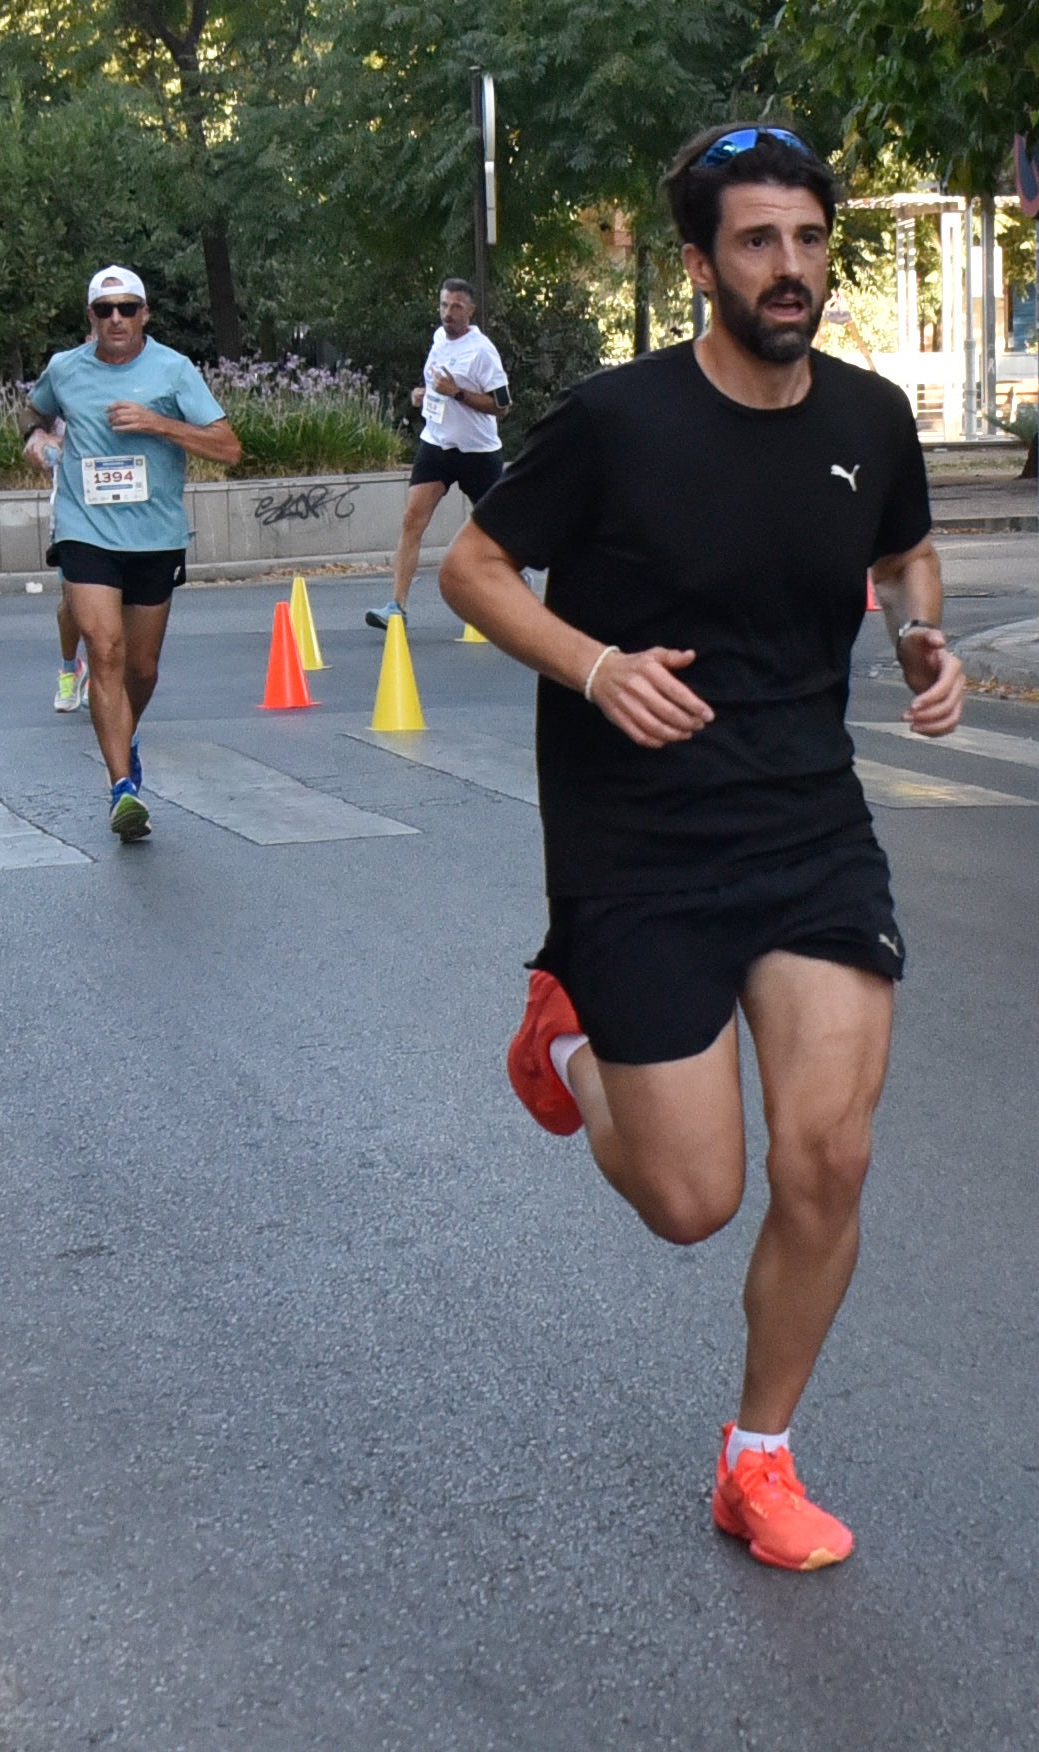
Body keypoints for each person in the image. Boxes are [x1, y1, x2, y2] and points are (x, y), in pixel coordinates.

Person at [439, 122, 965, 1573]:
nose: (787, 266)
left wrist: (927, 634)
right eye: (755, 241)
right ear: (699, 262)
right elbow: (471, 569)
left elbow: (904, 551)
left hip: (807, 827)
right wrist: (597, 667)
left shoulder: (868, 417)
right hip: (640, 842)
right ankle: (570, 1038)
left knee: (830, 1158)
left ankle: (758, 1460)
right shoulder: (617, 420)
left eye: (805, 237)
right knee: (692, 1202)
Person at [18, 266, 240, 840]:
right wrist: (38, 444)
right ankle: (122, 789)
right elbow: (33, 413)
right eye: (104, 309)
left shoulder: (173, 369)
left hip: (156, 536)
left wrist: (158, 423)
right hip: (84, 530)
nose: (115, 318)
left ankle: (124, 733)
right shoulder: (65, 368)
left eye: (127, 308)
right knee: (106, 649)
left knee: (141, 669)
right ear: (90, 318)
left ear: (145, 314)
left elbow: (228, 447)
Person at [367, 280, 510, 630]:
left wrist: (457, 393)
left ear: (471, 310)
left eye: (457, 307)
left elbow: (503, 406)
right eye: (444, 305)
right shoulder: (438, 339)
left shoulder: (482, 351)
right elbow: (435, 386)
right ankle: (396, 607)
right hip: (436, 445)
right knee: (412, 519)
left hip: (476, 451)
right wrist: (423, 394)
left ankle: (515, 585)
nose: (449, 313)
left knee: (500, 528)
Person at [24, 415, 89, 711]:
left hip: (122, 512)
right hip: (72, 514)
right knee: (74, 600)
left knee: (120, 599)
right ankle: (69, 668)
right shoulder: (64, 385)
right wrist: (39, 437)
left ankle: (104, 673)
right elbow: (31, 418)